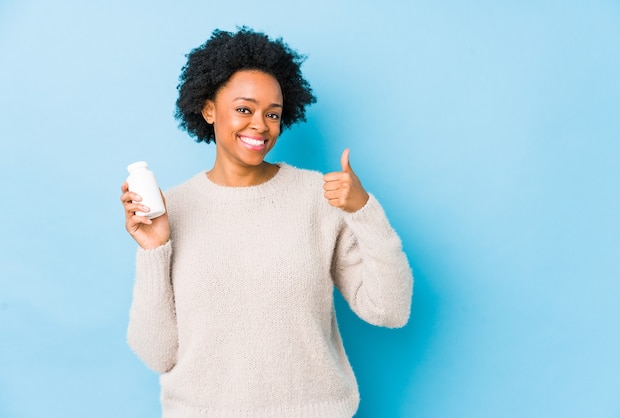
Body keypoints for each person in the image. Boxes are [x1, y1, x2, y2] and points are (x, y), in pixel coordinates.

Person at [120, 27, 413, 418]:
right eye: (244, 109)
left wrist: (363, 210)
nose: (260, 124)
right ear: (209, 110)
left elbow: (389, 310)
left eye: (272, 114)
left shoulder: (318, 199)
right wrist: (155, 251)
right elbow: (157, 354)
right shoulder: (171, 208)